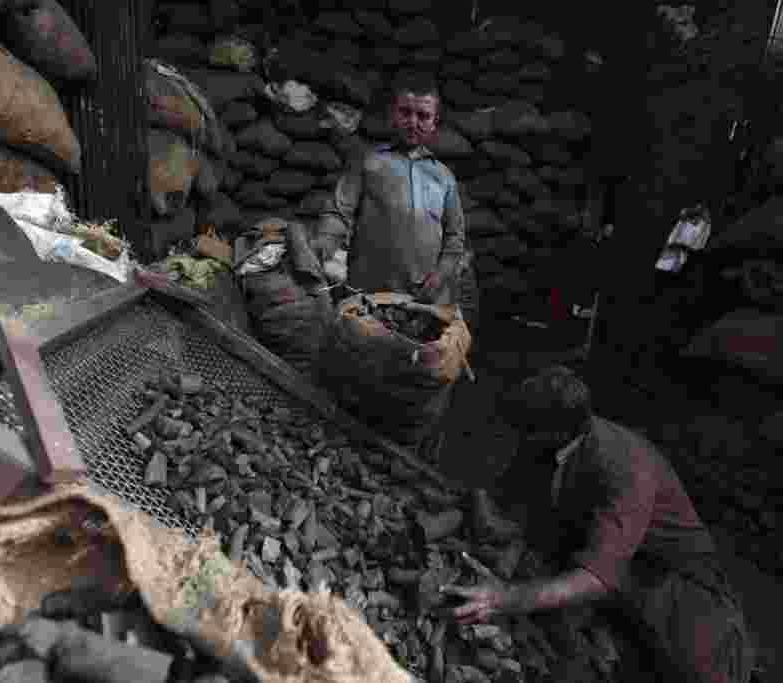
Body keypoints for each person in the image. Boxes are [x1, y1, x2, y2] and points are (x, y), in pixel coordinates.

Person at [444, 366, 754, 683]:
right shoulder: (548, 442)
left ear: (557, 431)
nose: (519, 437)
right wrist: (484, 507)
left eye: (528, 430)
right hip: (613, 573)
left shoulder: (625, 467)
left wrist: (504, 598)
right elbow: (514, 498)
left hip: (676, 585)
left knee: (693, 668)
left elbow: (595, 578)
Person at [312, 71, 467, 307]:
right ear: (392, 115)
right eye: (405, 112)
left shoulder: (444, 177)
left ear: (434, 123)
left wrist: (441, 275)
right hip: (369, 296)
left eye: (423, 116)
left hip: (426, 300)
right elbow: (338, 213)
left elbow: (455, 239)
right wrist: (323, 246)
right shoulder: (367, 161)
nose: (413, 122)